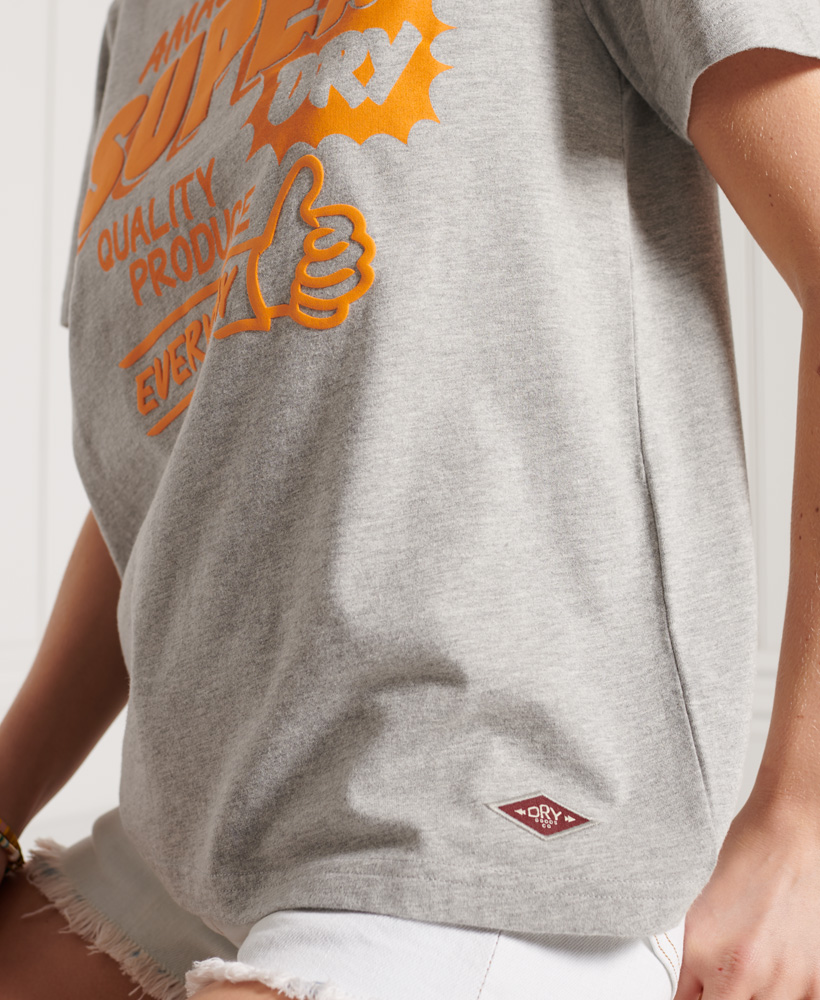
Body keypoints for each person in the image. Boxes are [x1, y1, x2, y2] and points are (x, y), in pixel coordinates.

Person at [2, 0, 820, 998]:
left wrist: (802, 824)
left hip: (490, 802)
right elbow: (191, 456)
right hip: (212, 819)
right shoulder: (141, 20)